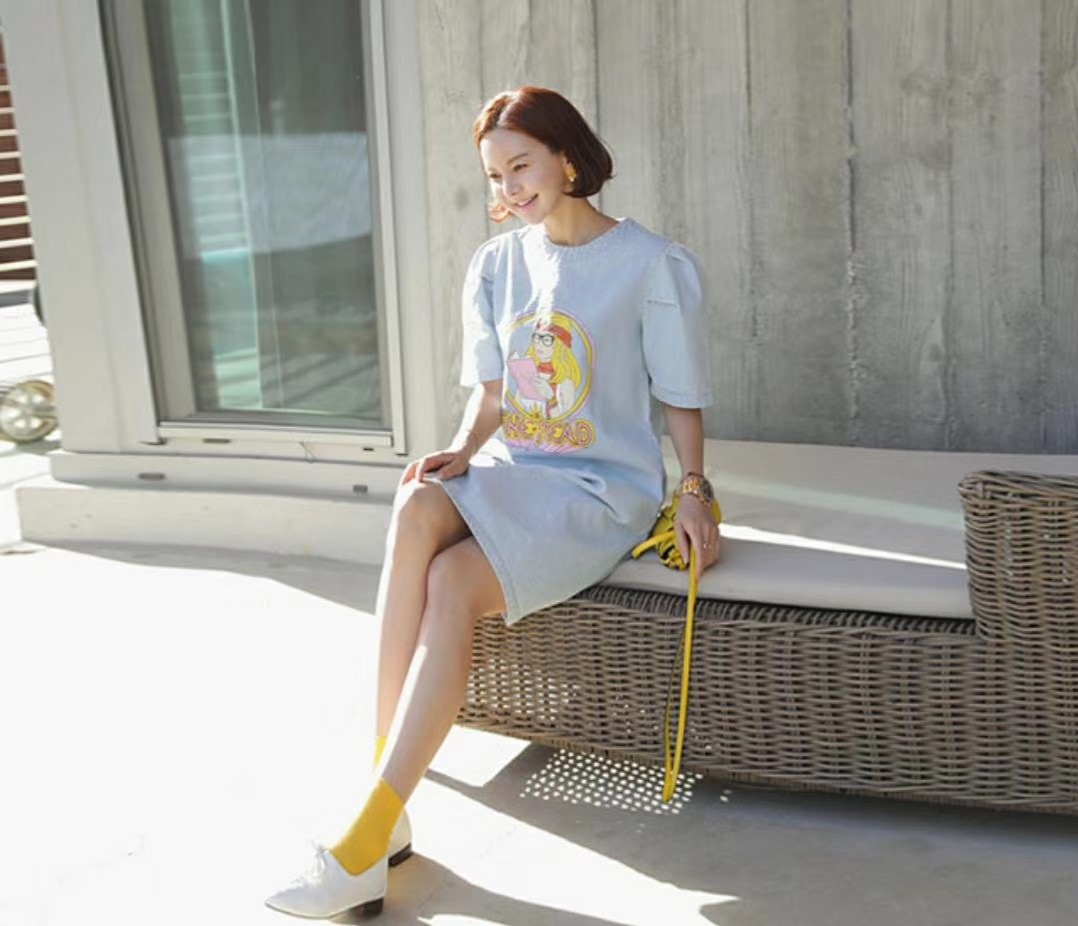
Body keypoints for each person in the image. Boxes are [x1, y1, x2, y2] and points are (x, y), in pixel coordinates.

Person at [265, 85, 722, 920]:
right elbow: (492, 395)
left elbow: (680, 397)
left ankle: (368, 835)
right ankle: (383, 808)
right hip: (515, 466)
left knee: (451, 582)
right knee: (418, 501)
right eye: (495, 175)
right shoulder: (497, 264)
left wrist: (693, 489)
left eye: (522, 166)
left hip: (599, 488)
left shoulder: (652, 264)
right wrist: (463, 451)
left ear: (567, 158)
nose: (509, 189)